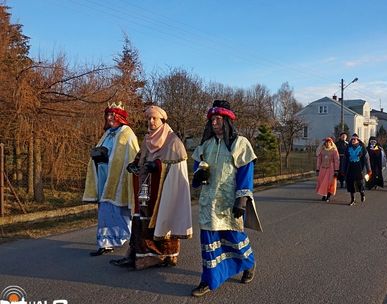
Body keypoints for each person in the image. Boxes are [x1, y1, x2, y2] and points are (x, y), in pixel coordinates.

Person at [191, 100, 262, 297]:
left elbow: (246, 172)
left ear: (227, 121)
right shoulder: (205, 145)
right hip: (208, 202)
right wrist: (197, 175)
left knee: (234, 238)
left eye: (218, 119)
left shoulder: (240, 143)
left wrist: (242, 200)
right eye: (212, 119)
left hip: (229, 201)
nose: (214, 123)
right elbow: (197, 168)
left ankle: (248, 264)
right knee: (208, 241)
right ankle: (208, 280)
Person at [110, 105, 193, 269]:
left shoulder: (173, 141)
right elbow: (141, 157)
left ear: (162, 120)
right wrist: (134, 165)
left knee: (163, 218)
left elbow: (177, 167)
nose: (151, 121)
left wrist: (157, 166)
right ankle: (137, 254)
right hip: (146, 187)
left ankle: (166, 255)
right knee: (141, 219)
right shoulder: (148, 139)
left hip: (164, 190)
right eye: (148, 118)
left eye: (154, 118)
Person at [83, 102, 139, 256]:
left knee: (118, 211)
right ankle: (105, 242)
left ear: (119, 117)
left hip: (118, 180)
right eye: (107, 115)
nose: (108, 118)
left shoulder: (127, 133)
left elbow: (133, 155)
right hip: (104, 178)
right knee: (104, 212)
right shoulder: (107, 133)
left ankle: (120, 238)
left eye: (111, 115)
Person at [345, 134, 371, 205]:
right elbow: (345, 159)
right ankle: (352, 199)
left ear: (357, 140)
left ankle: (362, 193)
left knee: (360, 183)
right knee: (351, 184)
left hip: (359, 168)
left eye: (355, 139)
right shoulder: (348, 147)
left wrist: (369, 170)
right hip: (350, 168)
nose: (353, 140)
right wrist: (343, 169)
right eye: (352, 139)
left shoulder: (362, 147)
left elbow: (367, 159)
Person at [315, 137, 340, 202]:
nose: (327, 144)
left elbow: (336, 161)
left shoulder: (334, 151)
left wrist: (336, 170)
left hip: (331, 169)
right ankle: (324, 195)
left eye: (329, 142)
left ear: (331, 143)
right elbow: (319, 160)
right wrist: (317, 169)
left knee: (330, 182)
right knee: (323, 182)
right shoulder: (322, 151)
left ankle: (328, 196)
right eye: (326, 142)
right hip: (323, 168)